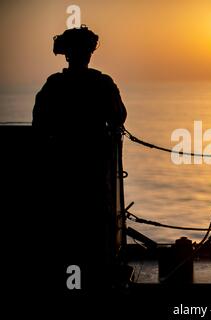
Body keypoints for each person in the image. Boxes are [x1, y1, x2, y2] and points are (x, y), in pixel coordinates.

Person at [32, 25, 127, 293]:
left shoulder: (53, 85)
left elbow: (39, 125)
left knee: (65, 226)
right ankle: (97, 277)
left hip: (62, 167)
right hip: (94, 167)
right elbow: (118, 117)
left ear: (66, 55)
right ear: (89, 54)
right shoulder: (102, 83)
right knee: (96, 224)